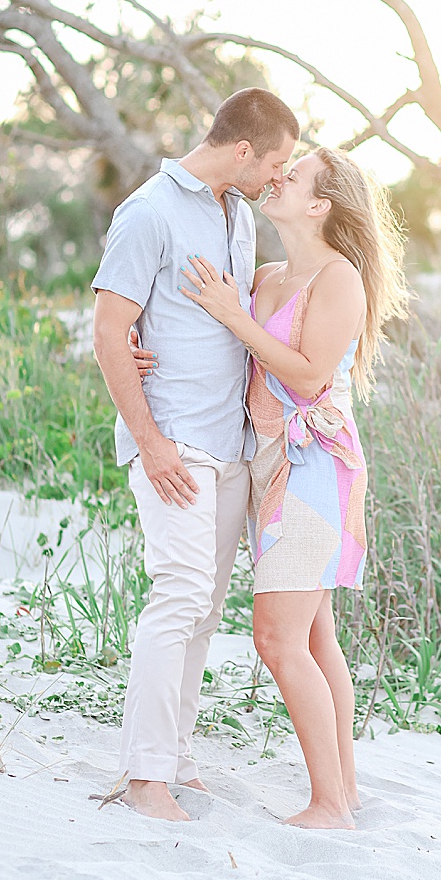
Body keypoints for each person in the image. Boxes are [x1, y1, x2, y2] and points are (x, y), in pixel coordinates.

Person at [135, 147, 409, 829]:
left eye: (296, 173)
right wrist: (141, 342)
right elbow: (235, 354)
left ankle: (326, 805)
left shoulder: (338, 277)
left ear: (320, 203)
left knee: (277, 638)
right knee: (316, 637)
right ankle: (342, 791)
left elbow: (311, 376)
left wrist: (236, 315)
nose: (279, 176)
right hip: (269, 467)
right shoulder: (268, 273)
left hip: (314, 468)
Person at [91, 88, 299, 822]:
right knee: (177, 595)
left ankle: (176, 757)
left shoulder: (238, 214)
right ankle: (144, 777)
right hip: (172, 441)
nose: (280, 178)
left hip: (231, 444)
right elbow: (109, 330)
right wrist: (149, 444)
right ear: (243, 150)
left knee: (204, 611)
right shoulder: (148, 210)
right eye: (275, 163)